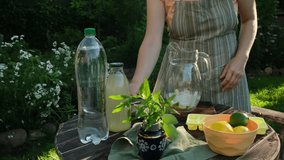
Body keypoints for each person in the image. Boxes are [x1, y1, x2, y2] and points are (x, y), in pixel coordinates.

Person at [130, 0, 257, 112]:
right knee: (178, 136)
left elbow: (249, 19)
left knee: (233, 134)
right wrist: (136, 83)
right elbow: (152, 39)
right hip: (178, 86)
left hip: (226, 80)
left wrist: (241, 59)